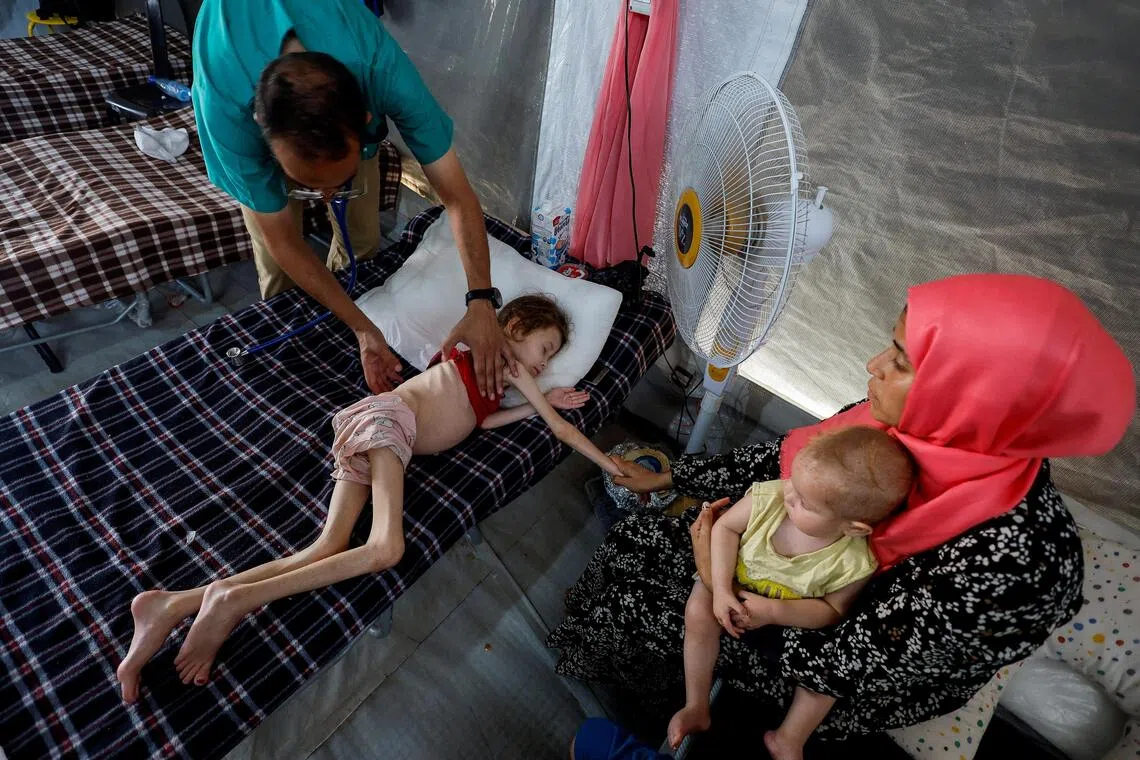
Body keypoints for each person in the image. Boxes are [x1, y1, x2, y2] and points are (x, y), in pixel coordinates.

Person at [548, 274, 1136, 740]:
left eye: (902, 361)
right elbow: (788, 467)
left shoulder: (1014, 568)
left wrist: (712, 573)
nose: (873, 364)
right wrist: (680, 477)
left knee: (639, 606)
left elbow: (837, 660)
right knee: (638, 541)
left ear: (974, 394)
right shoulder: (910, 425)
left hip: (834, 660)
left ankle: (656, 707)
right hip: (790, 579)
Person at [117, 296, 623, 703]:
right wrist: (609, 465)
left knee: (325, 547)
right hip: (389, 424)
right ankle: (232, 601)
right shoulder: (501, 358)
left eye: (552, 357)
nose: (546, 362)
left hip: (375, 423)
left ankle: (170, 605)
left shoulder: (492, 382)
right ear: (514, 327)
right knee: (386, 549)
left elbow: (483, 420)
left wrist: (536, 405)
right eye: (546, 348)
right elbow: (559, 428)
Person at [192, 0, 511, 398]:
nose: (327, 198)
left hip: (345, 77)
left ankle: (350, 319)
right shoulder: (224, 104)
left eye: (338, 180)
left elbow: (459, 197)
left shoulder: (382, 71)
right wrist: (362, 327)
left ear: (365, 119)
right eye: (310, 184)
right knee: (278, 272)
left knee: (361, 243)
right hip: (237, 72)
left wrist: (481, 299)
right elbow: (284, 241)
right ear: (262, 133)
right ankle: (293, 373)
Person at [668, 426, 915, 757]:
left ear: (853, 528)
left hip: (788, 615)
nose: (789, 496)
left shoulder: (855, 561)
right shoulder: (770, 497)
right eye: (793, 484)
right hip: (732, 581)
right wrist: (723, 588)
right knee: (698, 612)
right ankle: (696, 704)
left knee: (828, 680)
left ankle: (789, 737)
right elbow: (725, 528)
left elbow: (832, 610)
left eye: (805, 502)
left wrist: (773, 612)